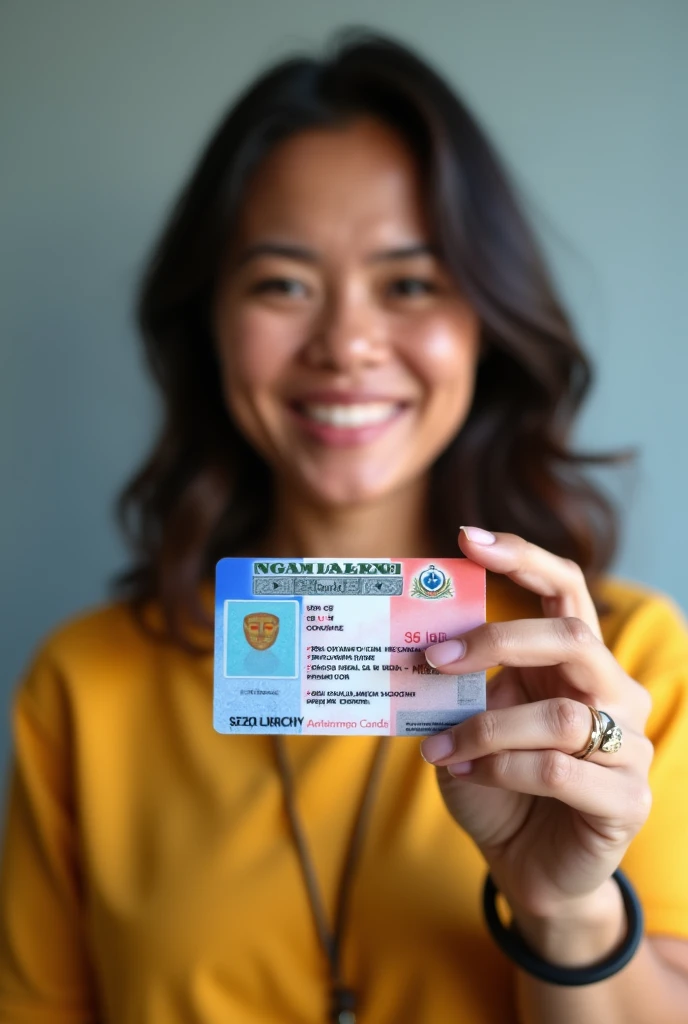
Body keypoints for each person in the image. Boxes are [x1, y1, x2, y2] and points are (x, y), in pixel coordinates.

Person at [1, 29, 687, 1024]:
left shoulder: (616, 668)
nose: (347, 344)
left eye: (409, 283)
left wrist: (564, 905)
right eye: (282, 283)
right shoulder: (85, 686)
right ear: (210, 321)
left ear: (485, 322)